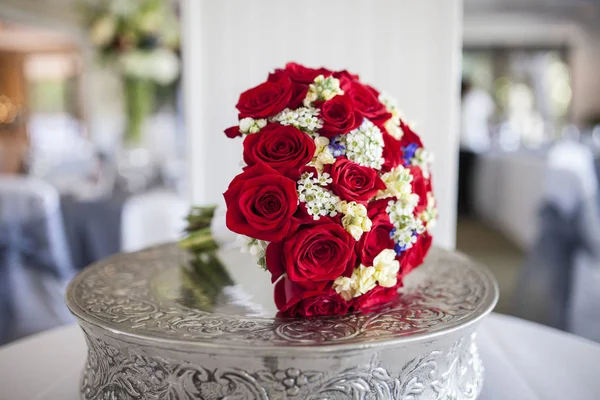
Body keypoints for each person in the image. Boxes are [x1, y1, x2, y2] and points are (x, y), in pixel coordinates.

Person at [458, 78, 495, 216]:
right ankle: (461, 205)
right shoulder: (458, 98)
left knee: (469, 178)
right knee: (461, 178)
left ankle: (467, 207)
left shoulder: (479, 99)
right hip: (460, 145)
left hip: (474, 145)